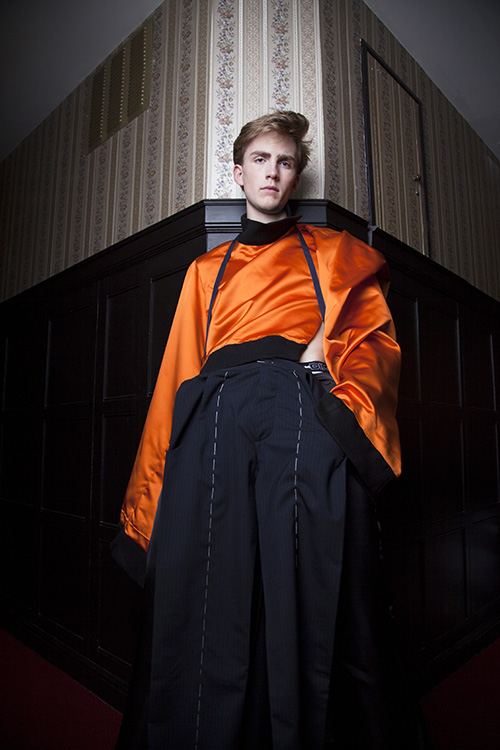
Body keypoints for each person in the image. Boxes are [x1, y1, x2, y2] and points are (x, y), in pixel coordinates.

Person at [111, 111, 414, 749]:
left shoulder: (332, 252)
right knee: (209, 585)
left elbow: (370, 338)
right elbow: (178, 372)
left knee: (304, 577)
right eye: (260, 160)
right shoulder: (205, 270)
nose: (272, 172)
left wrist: (320, 371)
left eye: (285, 162)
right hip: (214, 419)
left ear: (295, 176)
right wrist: (148, 502)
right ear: (239, 172)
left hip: (302, 412)